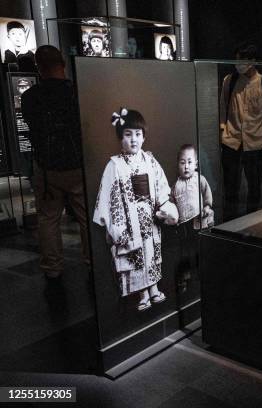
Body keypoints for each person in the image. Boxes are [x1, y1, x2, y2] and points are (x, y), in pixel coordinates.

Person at [93, 108, 178, 311]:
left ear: (144, 137)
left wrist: (165, 208)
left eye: (138, 135)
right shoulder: (114, 165)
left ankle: (154, 288)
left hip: (149, 217)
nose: (134, 140)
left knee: (151, 253)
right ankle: (141, 293)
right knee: (134, 256)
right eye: (128, 135)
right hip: (129, 221)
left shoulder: (150, 161)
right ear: (120, 138)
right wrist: (116, 226)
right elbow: (108, 197)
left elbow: (161, 186)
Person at [21, 45, 89, 279]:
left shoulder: (30, 97)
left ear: (39, 68)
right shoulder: (77, 92)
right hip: (78, 165)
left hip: (47, 167)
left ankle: (53, 268)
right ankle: (92, 261)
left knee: (48, 219)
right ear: (63, 64)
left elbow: (33, 128)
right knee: (86, 218)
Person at [219, 42, 262, 220]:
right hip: (231, 140)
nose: (238, 64)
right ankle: (229, 222)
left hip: (255, 142)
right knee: (230, 186)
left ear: (252, 61)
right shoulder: (229, 81)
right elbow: (223, 106)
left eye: (242, 60)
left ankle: (251, 223)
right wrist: (222, 129)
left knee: (254, 187)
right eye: (236, 60)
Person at [170, 144, 214, 292]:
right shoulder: (175, 185)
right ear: (178, 165)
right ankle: (185, 276)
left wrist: (207, 207)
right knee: (186, 251)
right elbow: (172, 203)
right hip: (184, 226)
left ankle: (204, 274)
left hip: (199, 221)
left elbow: (207, 193)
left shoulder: (199, 179)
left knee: (201, 249)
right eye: (182, 162)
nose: (186, 166)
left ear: (196, 164)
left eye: (189, 162)